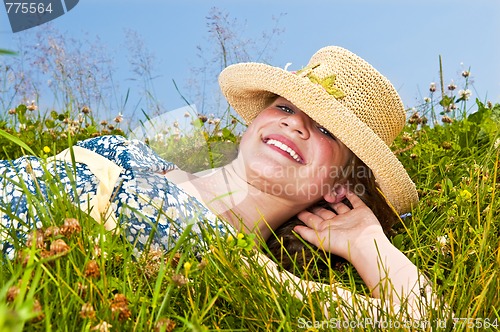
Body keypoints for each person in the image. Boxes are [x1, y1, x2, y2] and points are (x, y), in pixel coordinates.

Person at [0, 46, 432, 319]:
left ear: (340, 186)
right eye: (285, 108)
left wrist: (365, 241)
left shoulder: (239, 267)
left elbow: (423, 319)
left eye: (327, 131)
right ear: (255, 121)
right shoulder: (142, 153)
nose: (296, 124)